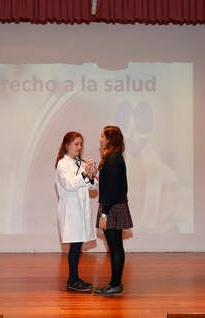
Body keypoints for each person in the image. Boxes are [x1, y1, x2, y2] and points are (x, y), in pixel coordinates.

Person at [54, 131, 98, 292]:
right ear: (67, 145)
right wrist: (85, 173)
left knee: (77, 245)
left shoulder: (80, 163)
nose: (79, 147)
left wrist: (92, 175)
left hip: (81, 209)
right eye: (76, 144)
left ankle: (75, 278)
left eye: (81, 144)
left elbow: (93, 187)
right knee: (75, 245)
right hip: (71, 210)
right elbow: (70, 184)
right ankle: (72, 280)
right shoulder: (62, 164)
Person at [94, 125, 133, 296]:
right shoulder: (114, 158)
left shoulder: (112, 159)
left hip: (112, 208)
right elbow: (111, 185)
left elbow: (111, 190)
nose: (100, 139)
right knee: (116, 247)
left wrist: (104, 213)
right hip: (115, 206)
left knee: (115, 247)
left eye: (102, 136)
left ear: (109, 139)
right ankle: (114, 283)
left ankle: (115, 285)